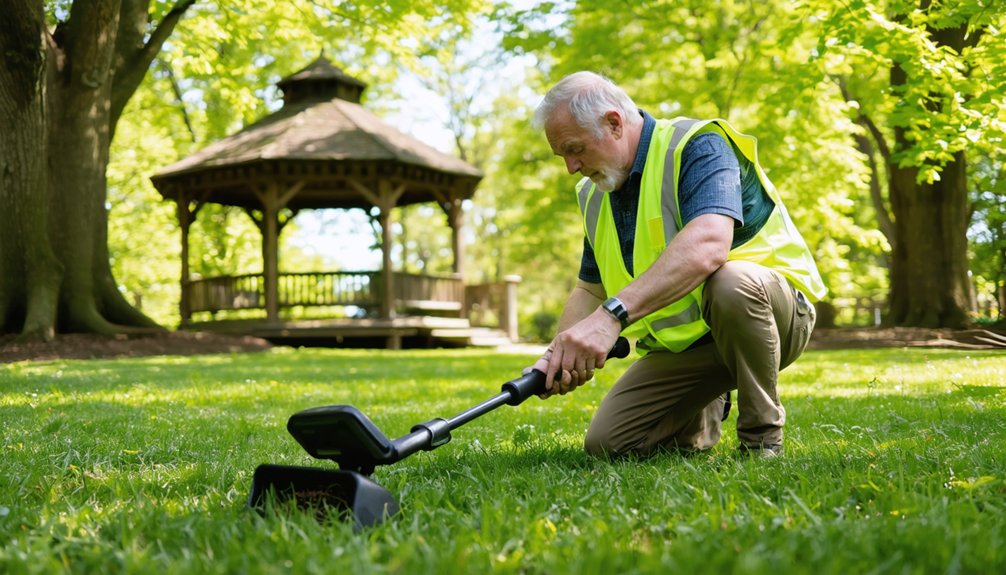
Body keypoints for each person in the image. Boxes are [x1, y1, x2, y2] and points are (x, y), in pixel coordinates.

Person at [530, 71, 826, 457]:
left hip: (774, 319)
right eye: (563, 156)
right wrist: (557, 357)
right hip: (690, 349)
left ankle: (761, 440)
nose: (571, 166)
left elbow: (708, 246)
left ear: (614, 123)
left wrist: (610, 319)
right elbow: (590, 288)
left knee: (731, 282)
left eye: (575, 149)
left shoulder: (698, 145)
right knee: (608, 444)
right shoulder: (593, 193)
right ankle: (706, 408)